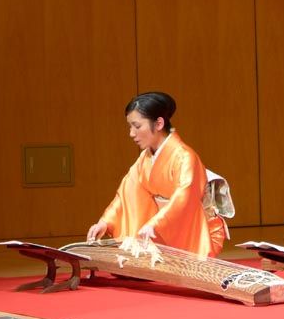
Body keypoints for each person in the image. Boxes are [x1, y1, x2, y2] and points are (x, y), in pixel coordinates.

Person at [87, 92, 232, 258]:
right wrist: (105, 222)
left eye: (137, 126)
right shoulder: (145, 158)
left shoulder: (185, 157)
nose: (131, 133)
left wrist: (156, 224)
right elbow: (126, 193)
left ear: (159, 123)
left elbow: (185, 198)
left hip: (195, 234)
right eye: (130, 127)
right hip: (158, 231)